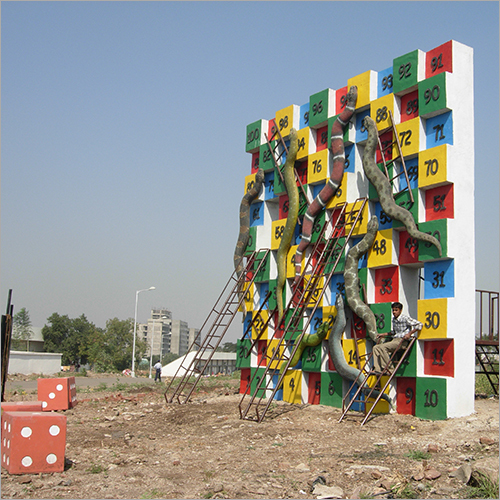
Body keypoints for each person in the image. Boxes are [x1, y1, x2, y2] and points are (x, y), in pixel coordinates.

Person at [371, 302, 422, 375]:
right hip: (394, 340)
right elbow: (393, 332)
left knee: (382, 347)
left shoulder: (404, 318)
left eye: (396, 310)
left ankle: (390, 369)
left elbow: (419, 324)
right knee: (376, 347)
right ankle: (378, 369)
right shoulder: (394, 320)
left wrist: (409, 334)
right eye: (393, 310)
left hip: (402, 341)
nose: (394, 312)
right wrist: (382, 334)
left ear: (400, 310)